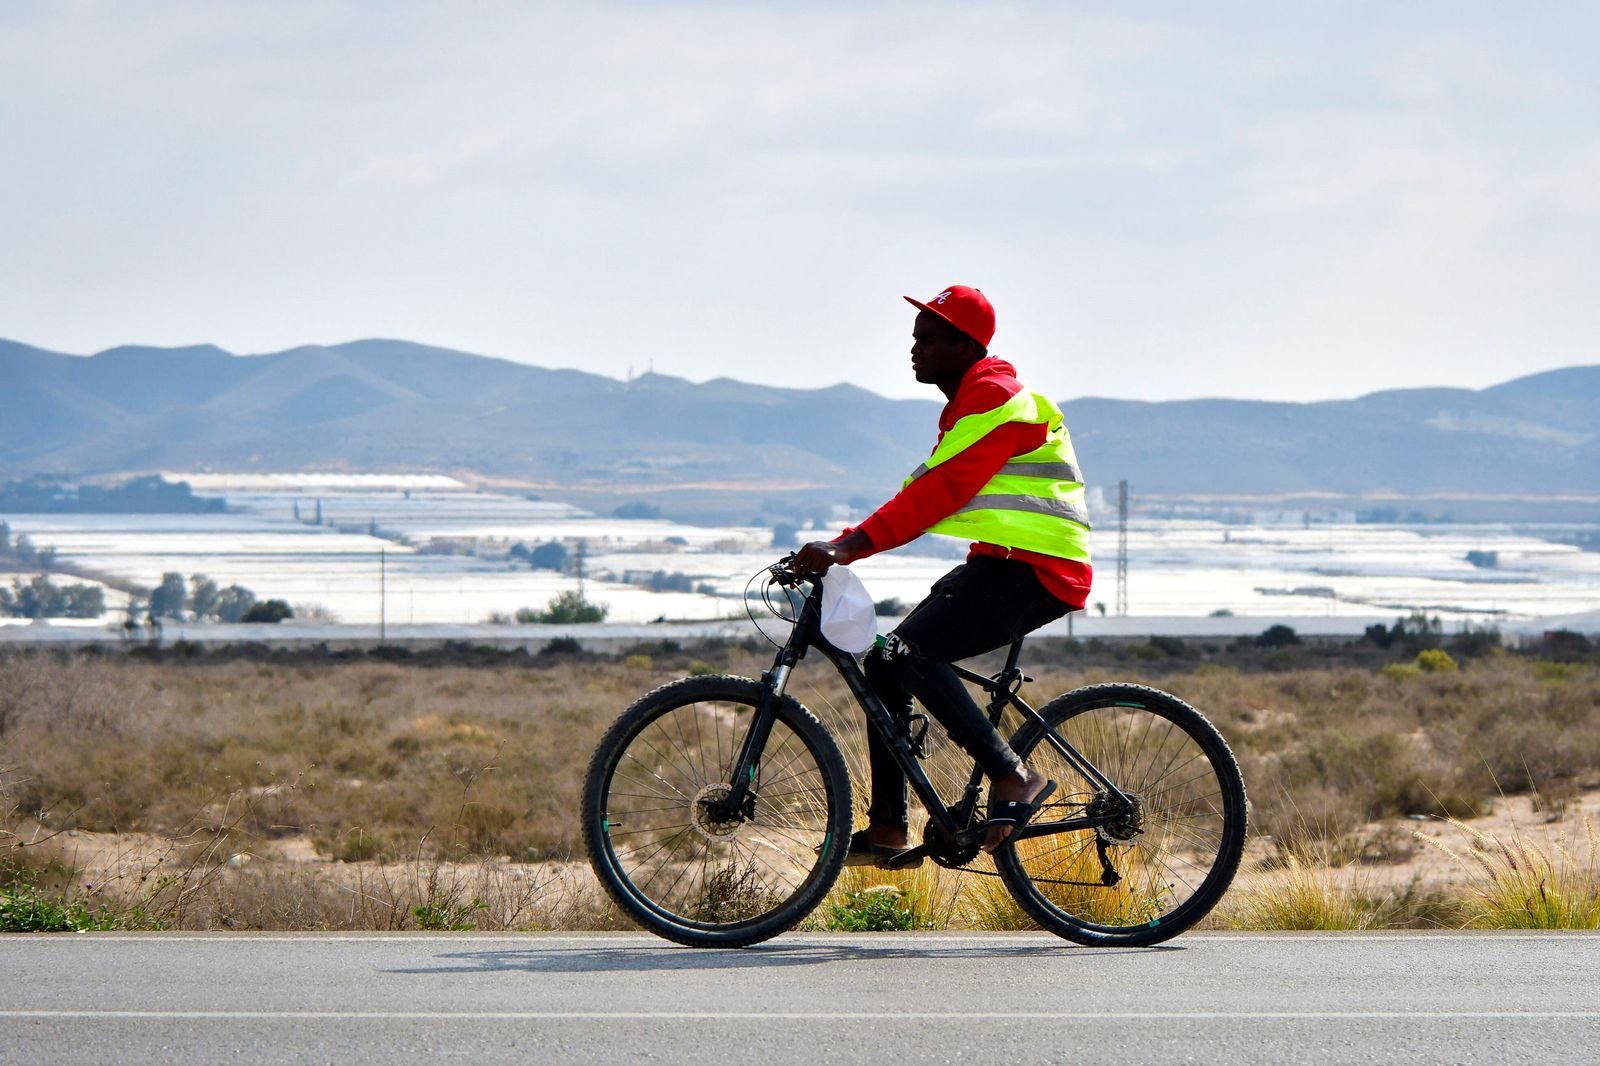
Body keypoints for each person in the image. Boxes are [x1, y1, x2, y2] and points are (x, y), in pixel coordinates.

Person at [794, 285, 1093, 864]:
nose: (915, 349)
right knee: (885, 660)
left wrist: (847, 546)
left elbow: (935, 494)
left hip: (1036, 567)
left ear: (965, 345)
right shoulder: (967, 405)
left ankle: (1014, 776)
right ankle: (887, 827)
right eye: (914, 338)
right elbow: (927, 489)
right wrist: (844, 544)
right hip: (1004, 562)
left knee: (908, 654)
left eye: (928, 339)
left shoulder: (995, 399)